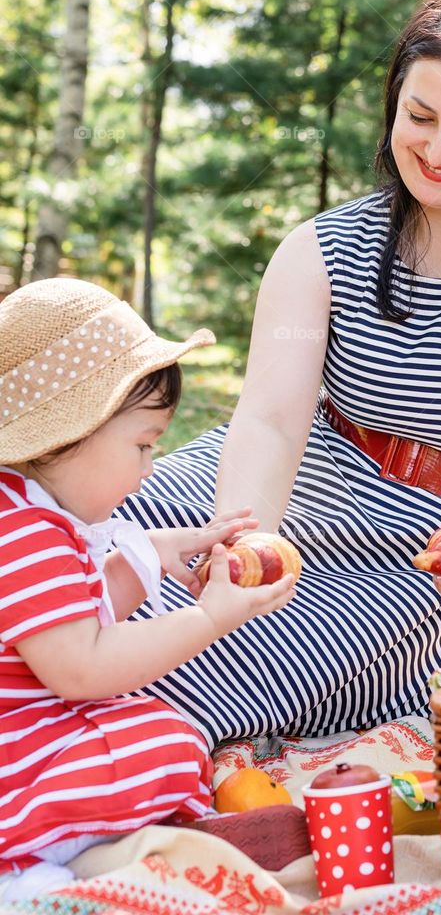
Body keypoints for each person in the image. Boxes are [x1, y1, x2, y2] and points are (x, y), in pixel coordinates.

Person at [116, 0, 441, 746]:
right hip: (283, 483)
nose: (437, 150)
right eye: (420, 117)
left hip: (429, 558)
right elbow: (269, 422)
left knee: (192, 661)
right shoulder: (322, 250)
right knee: (75, 549)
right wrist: (245, 538)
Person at [0, 279, 296, 899]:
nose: (150, 468)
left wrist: (156, 554)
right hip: (18, 748)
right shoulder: (27, 534)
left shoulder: (28, 512)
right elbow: (82, 667)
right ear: (71, 432)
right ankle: (28, 865)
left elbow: (81, 611)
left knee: (160, 729)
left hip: (28, 726)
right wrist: (208, 620)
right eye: (142, 445)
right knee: (163, 743)